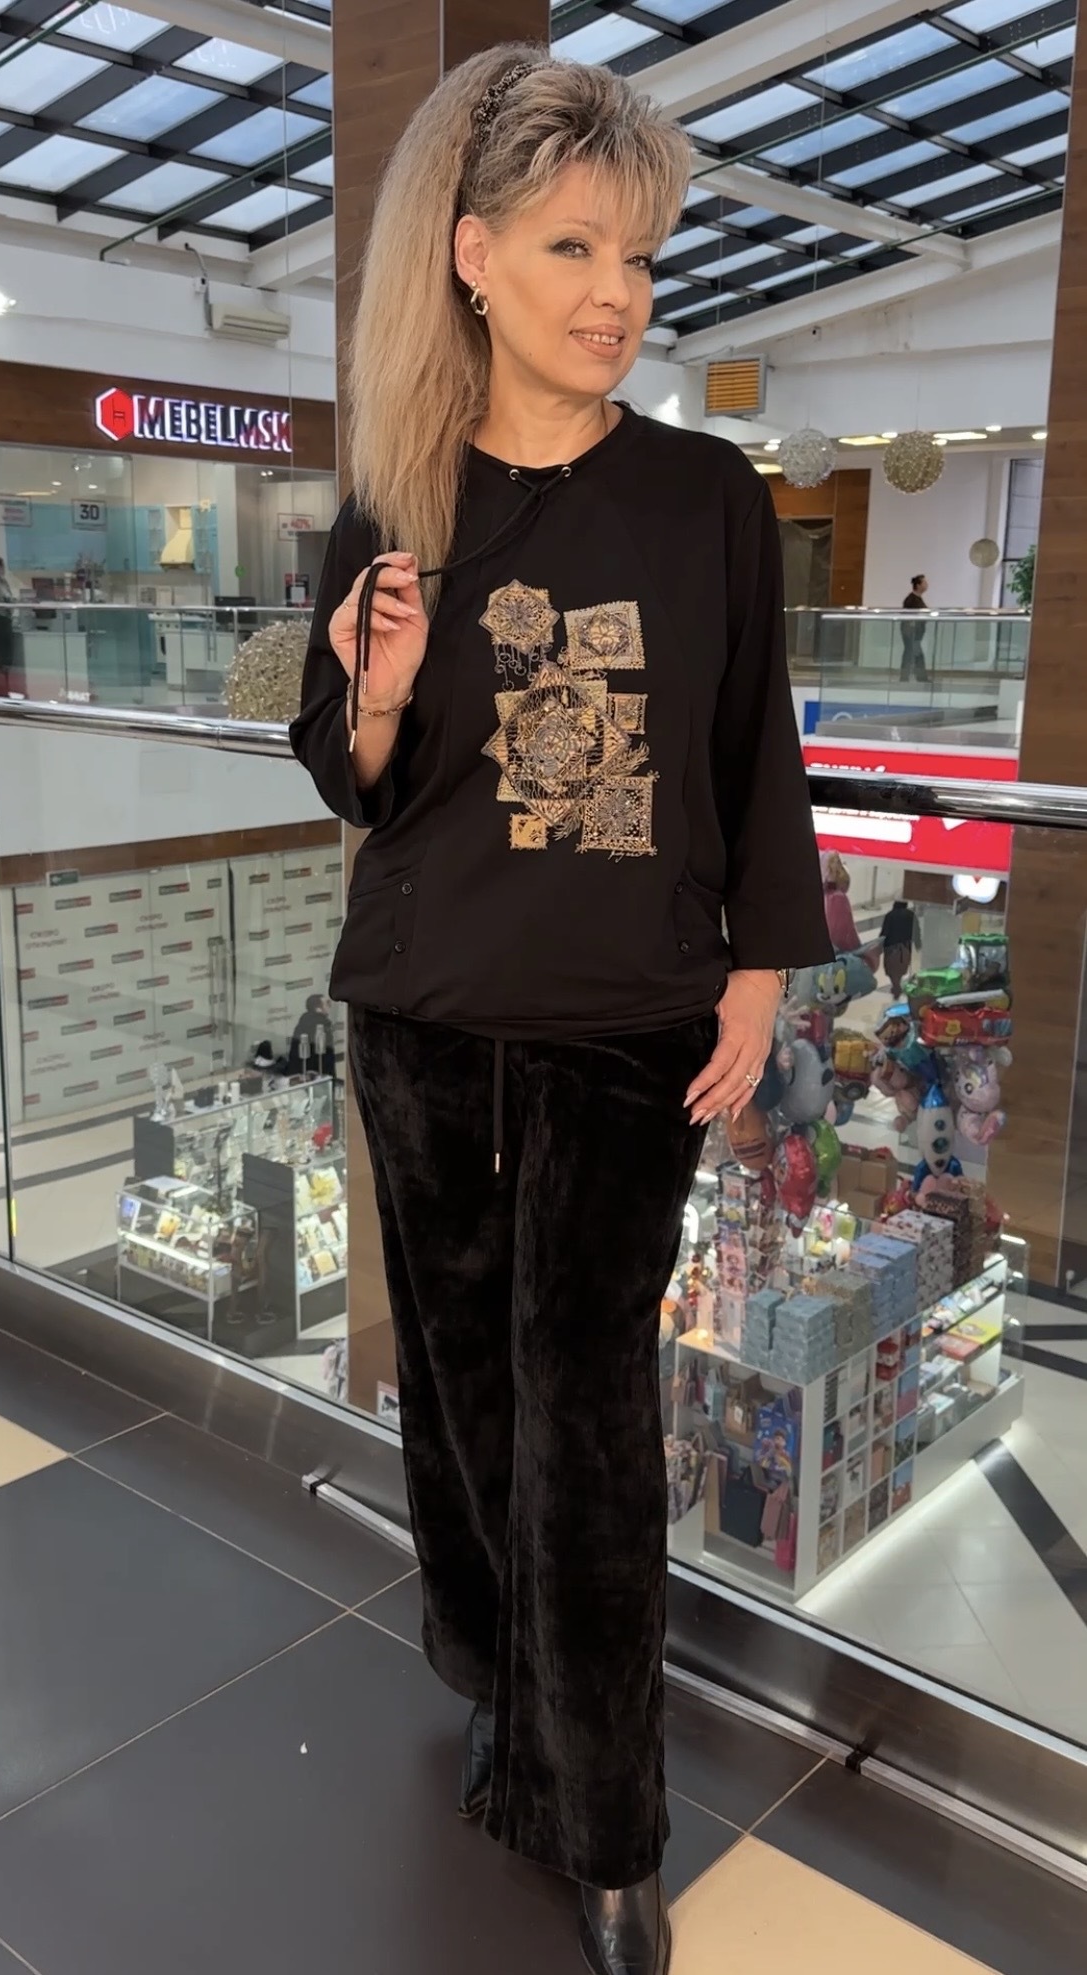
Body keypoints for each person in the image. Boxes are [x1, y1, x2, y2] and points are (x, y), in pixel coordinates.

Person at [291, 46, 830, 1975]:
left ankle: (606, 1822)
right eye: (573, 247)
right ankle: (495, 1687)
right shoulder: (396, 496)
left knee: (587, 1415)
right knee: (457, 1391)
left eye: (640, 255)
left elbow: (754, 749)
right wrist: (374, 686)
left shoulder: (706, 498)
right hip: (426, 1016)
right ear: (473, 254)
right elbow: (351, 775)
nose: (617, 294)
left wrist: (757, 978)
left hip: (627, 1032)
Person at [880, 898, 920, 999]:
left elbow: (884, 932)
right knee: (901, 968)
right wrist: (918, 944)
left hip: (891, 947)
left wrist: (879, 946)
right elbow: (916, 931)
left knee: (892, 969)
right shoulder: (911, 915)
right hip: (906, 947)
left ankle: (896, 986)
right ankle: (896, 986)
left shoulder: (890, 915)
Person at [287, 993, 335, 1076]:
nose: (329, 1006)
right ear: (318, 1009)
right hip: (316, 1073)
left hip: (302, 1071)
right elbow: (323, 1055)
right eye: (327, 1003)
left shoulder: (304, 1023)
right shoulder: (320, 1026)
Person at [899, 572, 928, 683]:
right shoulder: (911, 600)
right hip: (911, 633)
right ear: (918, 585)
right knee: (912, 653)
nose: (926, 585)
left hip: (916, 633)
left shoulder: (918, 599)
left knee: (914, 653)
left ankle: (917, 677)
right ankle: (909, 677)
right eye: (924, 582)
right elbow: (907, 618)